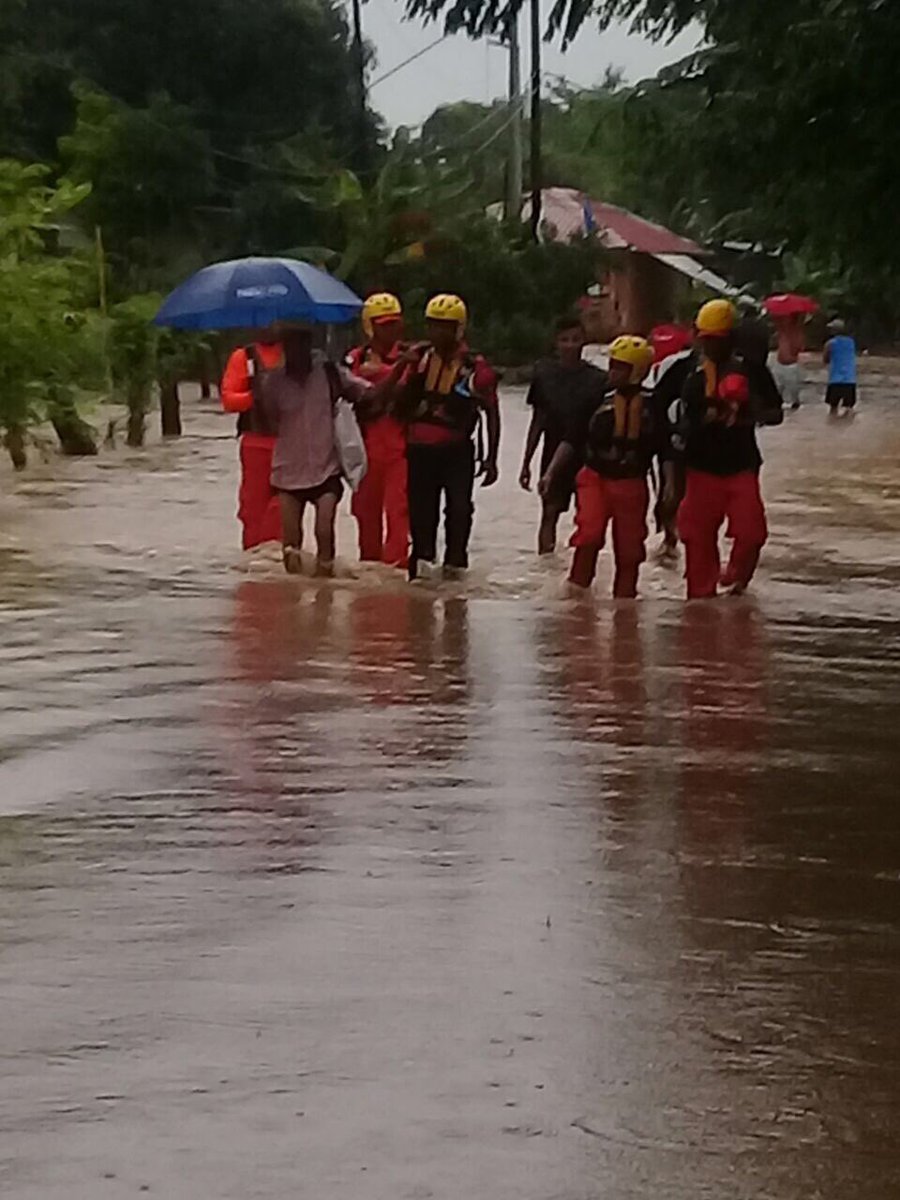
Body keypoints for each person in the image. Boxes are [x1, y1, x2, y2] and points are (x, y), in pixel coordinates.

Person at [248, 324, 404, 576]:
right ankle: (296, 594)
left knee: (324, 530)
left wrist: (399, 371)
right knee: (291, 546)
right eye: (290, 344)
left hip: (326, 468)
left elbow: (369, 394)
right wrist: (256, 395)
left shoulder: (330, 373)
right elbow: (267, 424)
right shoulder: (272, 382)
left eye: (301, 343)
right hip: (288, 471)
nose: (296, 351)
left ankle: (325, 590)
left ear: (309, 345)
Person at [540, 335, 674, 598]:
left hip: (632, 484)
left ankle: (625, 605)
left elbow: (665, 450)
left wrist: (669, 485)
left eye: (620, 367)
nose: (612, 372)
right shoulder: (595, 398)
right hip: (595, 478)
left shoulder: (653, 406)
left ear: (637, 371)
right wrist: (551, 472)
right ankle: (576, 596)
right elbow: (572, 438)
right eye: (612, 365)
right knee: (588, 536)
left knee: (630, 551)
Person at [676, 299, 783, 599]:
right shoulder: (690, 374)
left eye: (718, 340)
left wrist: (749, 411)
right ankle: (700, 608)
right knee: (697, 541)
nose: (711, 346)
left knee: (752, 534)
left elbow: (776, 413)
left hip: (741, 465)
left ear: (732, 338)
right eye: (706, 339)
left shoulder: (753, 372)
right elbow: (677, 422)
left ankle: (736, 579)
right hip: (700, 468)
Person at [396, 294, 500, 582]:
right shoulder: (418, 360)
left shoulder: (475, 368)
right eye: (433, 325)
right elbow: (398, 402)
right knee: (421, 513)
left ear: (459, 329)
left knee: (459, 510)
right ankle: (421, 571)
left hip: (457, 451)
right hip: (420, 451)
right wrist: (404, 367)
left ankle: (456, 570)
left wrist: (491, 459)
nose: (438, 332)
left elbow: (492, 413)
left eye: (445, 326)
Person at [519, 315, 607, 554]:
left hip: (587, 454)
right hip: (552, 449)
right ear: (555, 342)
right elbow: (537, 420)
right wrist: (526, 463)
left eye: (576, 339)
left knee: (588, 514)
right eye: (565, 340)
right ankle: (546, 564)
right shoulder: (544, 374)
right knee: (549, 513)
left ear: (584, 341)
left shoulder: (598, 380)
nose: (570, 345)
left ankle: (581, 562)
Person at [345, 293, 410, 567]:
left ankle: (397, 568)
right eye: (384, 325)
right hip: (365, 446)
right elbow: (357, 387)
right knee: (365, 513)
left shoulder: (409, 357)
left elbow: (403, 387)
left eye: (395, 323)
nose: (391, 330)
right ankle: (370, 569)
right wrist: (390, 372)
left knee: (400, 511)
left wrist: (379, 372)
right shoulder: (354, 358)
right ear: (370, 326)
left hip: (400, 446)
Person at [220, 331, 283, 550]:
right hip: (255, 443)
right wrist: (254, 396)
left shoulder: (296, 354)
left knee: (285, 505)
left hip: (291, 443)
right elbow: (229, 400)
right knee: (253, 508)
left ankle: (279, 554)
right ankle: (255, 556)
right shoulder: (244, 357)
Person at [770, 312, 805, 410]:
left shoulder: (796, 333)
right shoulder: (781, 331)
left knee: (793, 389)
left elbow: (799, 348)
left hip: (790, 365)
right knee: (776, 388)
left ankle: (794, 404)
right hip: (780, 363)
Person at [823, 319, 857, 414]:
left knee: (833, 408)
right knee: (849, 409)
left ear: (834, 330)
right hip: (850, 380)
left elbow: (825, 359)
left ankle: (833, 423)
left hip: (835, 380)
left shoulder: (829, 344)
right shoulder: (851, 342)